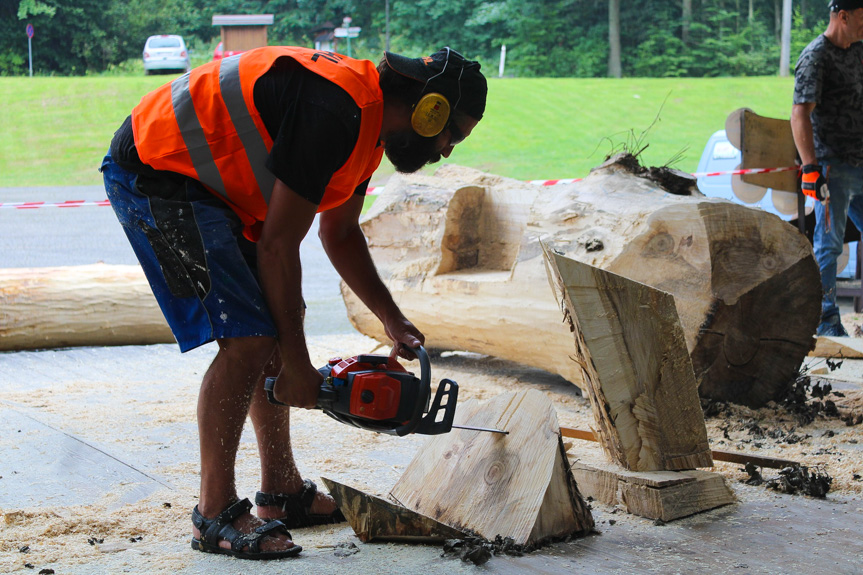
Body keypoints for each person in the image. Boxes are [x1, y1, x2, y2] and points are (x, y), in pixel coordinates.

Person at [100, 46, 487, 559]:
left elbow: (340, 233)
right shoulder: (337, 110)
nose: (445, 150)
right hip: (159, 170)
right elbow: (279, 246)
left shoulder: (367, 129)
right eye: (451, 133)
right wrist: (299, 367)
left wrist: (392, 319)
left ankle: (280, 493)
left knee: (279, 324)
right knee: (252, 338)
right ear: (428, 109)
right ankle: (212, 514)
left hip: (212, 185)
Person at [791, 0, 863, 337]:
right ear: (843, 16)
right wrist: (810, 168)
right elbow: (800, 114)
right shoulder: (816, 56)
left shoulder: (859, 50)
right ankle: (825, 318)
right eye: (862, 20)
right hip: (834, 164)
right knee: (830, 242)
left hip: (862, 162)